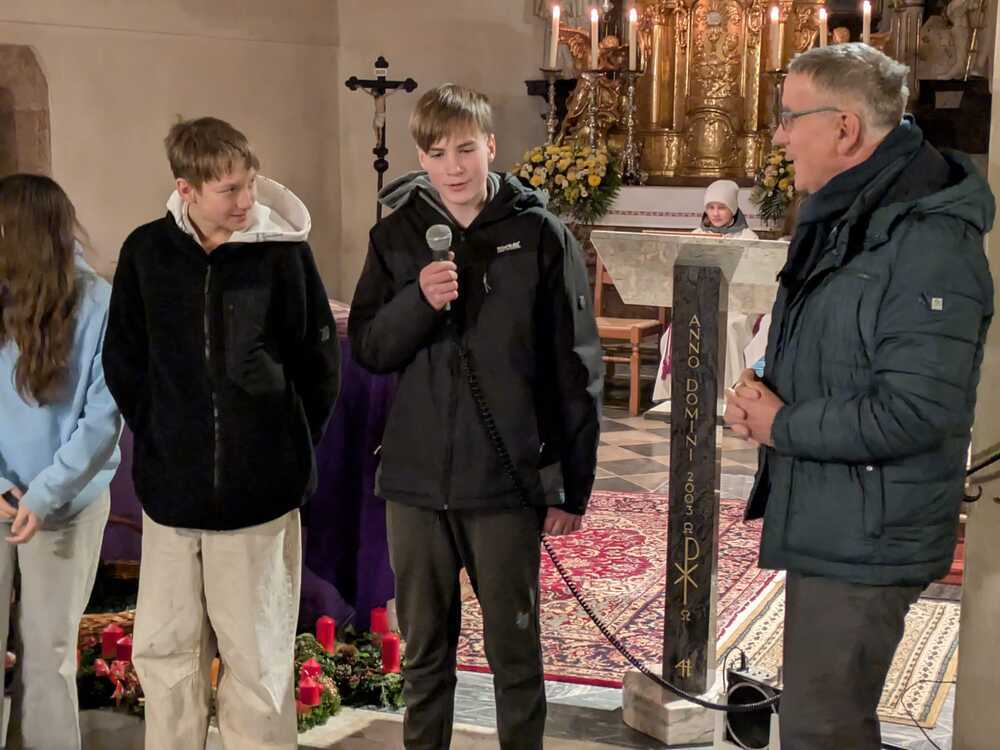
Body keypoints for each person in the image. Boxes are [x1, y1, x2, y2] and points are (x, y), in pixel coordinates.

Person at [724, 43, 994, 750]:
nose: (778, 137)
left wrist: (783, 424)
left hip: (870, 528)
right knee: (817, 723)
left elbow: (919, 410)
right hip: (837, 512)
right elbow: (842, 345)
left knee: (823, 731)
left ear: (845, 128)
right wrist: (766, 387)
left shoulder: (927, 239)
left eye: (790, 118)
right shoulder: (855, 213)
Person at [348, 84, 602, 750]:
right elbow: (370, 348)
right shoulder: (396, 236)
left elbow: (574, 366)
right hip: (416, 481)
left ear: (491, 144)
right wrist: (418, 301)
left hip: (504, 480)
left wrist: (571, 483)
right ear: (421, 158)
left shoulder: (539, 234)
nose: (454, 167)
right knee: (424, 654)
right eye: (438, 153)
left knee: (514, 652)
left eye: (466, 149)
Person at [102, 117, 340, 750]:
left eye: (248, 184)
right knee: (166, 656)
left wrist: (283, 444)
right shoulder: (147, 253)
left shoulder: (283, 254)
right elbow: (124, 360)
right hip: (173, 495)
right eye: (228, 190)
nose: (245, 201)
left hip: (259, 496)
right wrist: (164, 434)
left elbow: (318, 366)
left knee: (258, 663)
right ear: (186, 189)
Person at [0, 174, 122, 749]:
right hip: (0, 494)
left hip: (67, 502)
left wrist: (46, 493)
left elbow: (103, 417)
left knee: (47, 655)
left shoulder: (97, 302)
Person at [653, 179, 763, 406]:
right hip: (702, 302)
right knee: (677, 330)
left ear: (733, 208)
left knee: (728, 329)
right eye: (710, 207)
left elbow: (752, 279)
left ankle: (727, 395)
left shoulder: (748, 238)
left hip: (737, 306)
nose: (715, 213)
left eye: (721, 207)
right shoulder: (696, 235)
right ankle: (683, 394)